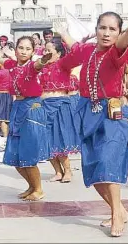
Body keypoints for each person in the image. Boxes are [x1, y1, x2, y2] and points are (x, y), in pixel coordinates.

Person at [55, 12, 128, 237]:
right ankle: (120, 210)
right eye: (103, 28)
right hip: (88, 112)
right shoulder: (88, 50)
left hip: (113, 114)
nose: (107, 33)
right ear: (96, 29)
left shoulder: (118, 52)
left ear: (119, 33)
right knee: (93, 170)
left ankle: (115, 217)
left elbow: (122, 44)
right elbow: (74, 49)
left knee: (107, 163)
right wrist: (63, 34)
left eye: (113, 29)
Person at [0, 36, 52, 201]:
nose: (23, 51)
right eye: (20, 48)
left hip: (31, 109)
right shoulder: (12, 65)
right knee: (14, 155)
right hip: (17, 107)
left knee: (28, 152)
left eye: (27, 49)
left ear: (33, 51)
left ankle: (38, 189)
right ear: (16, 49)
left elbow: (37, 66)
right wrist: (7, 53)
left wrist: (42, 60)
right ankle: (31, 186)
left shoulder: (31, 66)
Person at [39, 40, 80, 183]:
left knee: (60, 139)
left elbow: (76, 56)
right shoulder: (41, 67)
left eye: (49, 50)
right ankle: (57, 171)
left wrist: (66, 36)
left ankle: (67, 170)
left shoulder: (63, 64)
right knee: (46, 141)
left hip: (60, 105)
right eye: (44, 50)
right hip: (44, 105)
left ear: (58, 53)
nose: (45, 53)